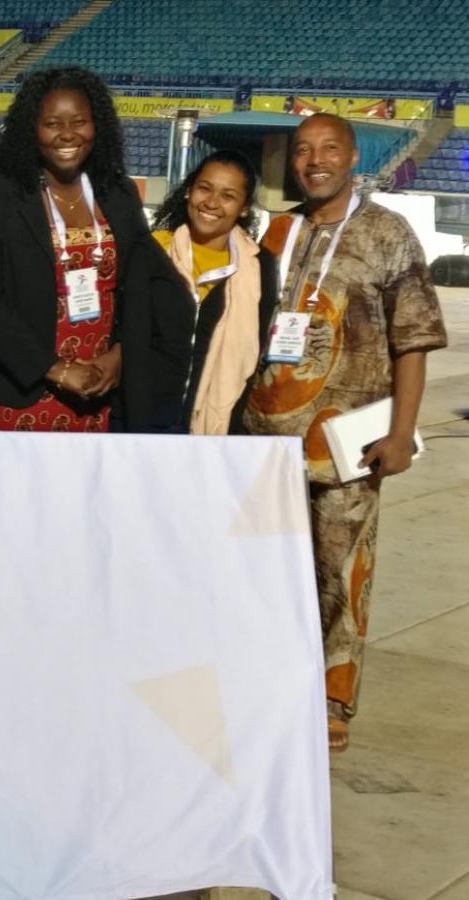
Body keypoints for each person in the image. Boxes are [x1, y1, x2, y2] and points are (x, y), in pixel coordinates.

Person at [244, 113, 447, 752]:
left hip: (346, 446)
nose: (315, 161)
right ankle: (275, 684)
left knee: (339, 573)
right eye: (303, 151)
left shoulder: (388, 234)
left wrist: (402, 432)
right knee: (269, 572)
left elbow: (411, 339)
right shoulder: (279, 230)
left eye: (329, 148)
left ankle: (333, 700)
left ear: (353, 157)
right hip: (264, 442)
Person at [0, 66, 193, 432]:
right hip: (16, 399)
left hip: (98, 394)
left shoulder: (119, 193)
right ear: (32, 130)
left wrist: (121, 354)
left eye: (79, 121)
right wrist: (54, 369)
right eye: (52, 123)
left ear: (96, 125)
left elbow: (146, 285)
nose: (67, 134)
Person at [150, 150, 276, 434]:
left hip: (215, 420)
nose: (212, 203)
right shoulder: (155, 250)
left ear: (244, 208)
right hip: (146, 413)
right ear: (189, 191)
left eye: (228, 196)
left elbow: (251, 351)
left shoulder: (258, 267)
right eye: (204, 188)